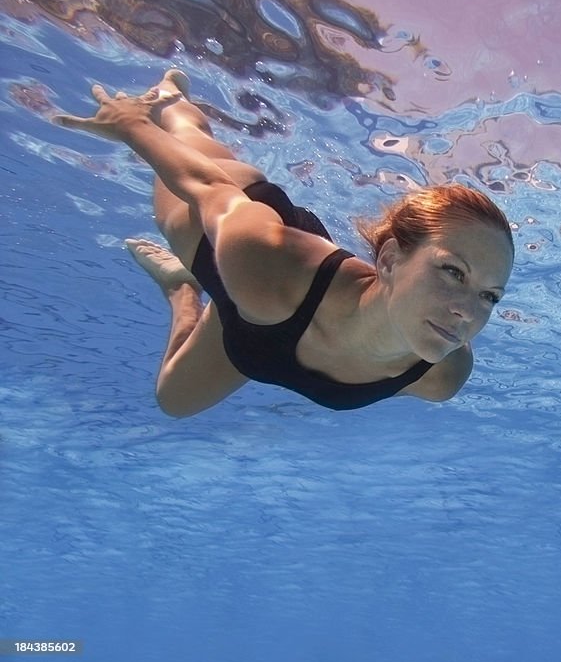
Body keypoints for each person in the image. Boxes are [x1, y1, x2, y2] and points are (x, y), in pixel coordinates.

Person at [54, 70, 514, 417]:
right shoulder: (268, 262)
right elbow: (207, 186)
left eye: (489, 296)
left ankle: (180, 287)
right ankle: (174, 102)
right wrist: (133, 126)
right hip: (243, 241)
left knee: (172, 401)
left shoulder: (441, 374)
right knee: (187, 149)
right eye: (453, 271)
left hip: (262, 308)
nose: (467, 313)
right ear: (391, 258)